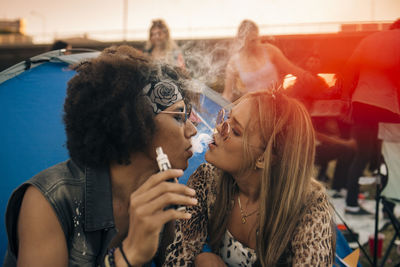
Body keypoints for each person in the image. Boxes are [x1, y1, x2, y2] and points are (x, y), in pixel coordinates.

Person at [3, 45, 198, 266]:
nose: (192, 130)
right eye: (179, 117)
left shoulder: (163, 192)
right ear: (136, 125)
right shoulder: (49, 200)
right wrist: (128, 256)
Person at [163, 90, 335, 266]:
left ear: (263, 158)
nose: (220, 127)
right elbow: (179, 257)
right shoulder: (207, 179)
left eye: (235, 131)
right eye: (227, 117)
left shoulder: (309, 207)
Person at [340, 18, 400, 215]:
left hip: (362, 103)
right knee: (389, 154)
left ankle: (351, 203)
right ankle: (388, 207)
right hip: (387, 106)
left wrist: (346, 97)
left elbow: (349, 67)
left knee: (362, 155)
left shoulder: (370, 38)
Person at [222, 20, 315, 102]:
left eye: (256, 39)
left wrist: (307, 76)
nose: (255, 43)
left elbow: (291, 68)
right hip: (253, 109)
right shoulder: (234, 62)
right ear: (241, 39)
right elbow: (227, 94)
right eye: (251, 41)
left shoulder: (270, 50)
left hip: (276, 103)